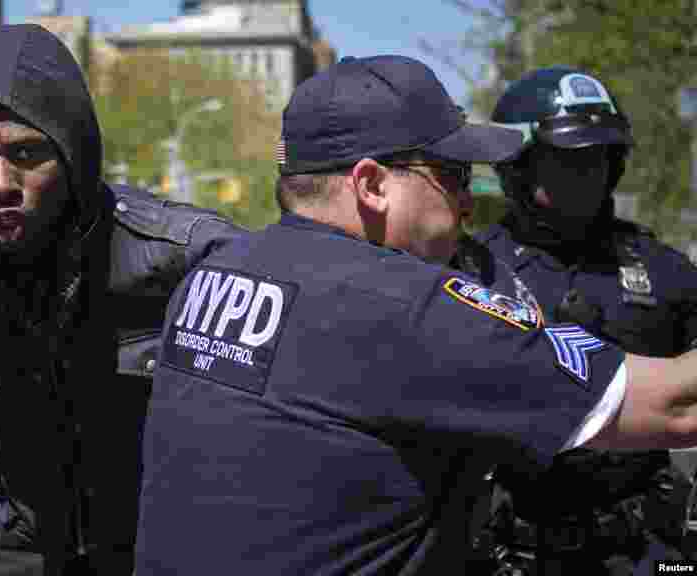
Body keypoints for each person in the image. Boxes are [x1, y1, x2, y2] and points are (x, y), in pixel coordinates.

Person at [133, 54, 697, 575]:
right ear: (372, 184)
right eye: (452, 174)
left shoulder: (215, 274)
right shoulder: (408, 304)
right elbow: (676, 405)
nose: (470, 200)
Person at [0, 24, 245, 576]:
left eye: (25, 154)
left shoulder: (186, 257)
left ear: (73, 154)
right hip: (26, 543)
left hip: (165, 542)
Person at [465, 67, 697, 574]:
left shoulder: (665, 270)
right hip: (512, 553)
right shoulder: (471, 272)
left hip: (646, 551)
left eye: (598, 156)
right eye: (567, 158)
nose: (587, 172)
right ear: (517, 165)